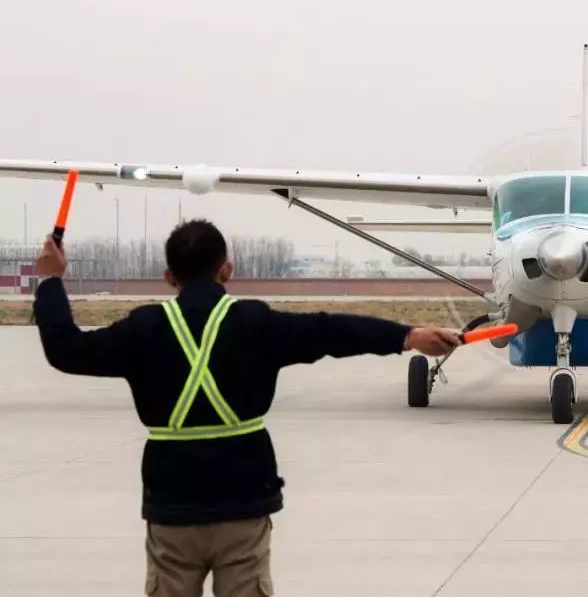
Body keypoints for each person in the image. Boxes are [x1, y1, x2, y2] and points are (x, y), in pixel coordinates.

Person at [33, 219, 461, 596]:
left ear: (168, 276)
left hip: (171, 505)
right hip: (243, 502)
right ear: (227, 270)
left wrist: (52, 281)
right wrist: (406, 336)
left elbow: (66, 350)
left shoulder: (143, 329)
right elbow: (330, 331)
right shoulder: (256, 323)